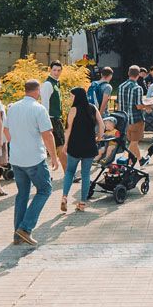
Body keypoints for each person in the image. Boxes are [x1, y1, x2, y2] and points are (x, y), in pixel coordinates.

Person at [5, 78, 58, 246]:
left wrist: (16, 142)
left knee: (22, 194)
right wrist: (54, 156)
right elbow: (47, 135)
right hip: (34, 158)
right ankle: (25, 228)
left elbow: (6, 129)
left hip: (17, 158)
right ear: (37, 91)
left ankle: (17, 234)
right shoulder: (39, 109)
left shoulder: (13, 108)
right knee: (45, 190)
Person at [60, 84, 100, 213]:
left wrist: (65, 144)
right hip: (89, 146)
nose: (71, 98)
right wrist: (99, 137)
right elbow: (102, 125)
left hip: (75, 146)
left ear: (77, 97)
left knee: (70, 172)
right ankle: (82, 203)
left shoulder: (74, 110)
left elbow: (68, 129)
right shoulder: (92, 108)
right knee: (86, 174)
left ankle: (64, 197)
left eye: (72, 96)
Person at [115, 64, 148, 162]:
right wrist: (148, 106)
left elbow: (118, 103)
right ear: (139, 74)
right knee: (134, 142)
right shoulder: (137, 88)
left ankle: (140, 160)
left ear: (128, 73)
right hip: (135, 119)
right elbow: (138, 106)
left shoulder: (121, 86)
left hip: (125, 120)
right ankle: (124, 159)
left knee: (133, 142)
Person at [44, 61, 67, 153]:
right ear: (50, 70)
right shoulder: (48, 84)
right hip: (51, 119)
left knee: (59, 146)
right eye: (54, 70)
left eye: (59, 70)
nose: (56, 73)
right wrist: (47, 122)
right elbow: (45, 104)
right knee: (60, 146)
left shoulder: (56, 83)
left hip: (57, 118)